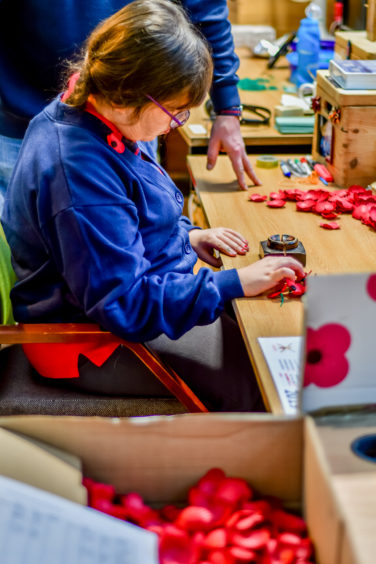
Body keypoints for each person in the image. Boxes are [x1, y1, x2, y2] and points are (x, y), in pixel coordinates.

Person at [2, 0, 304, 412]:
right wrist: (234, 283)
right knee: (262, 383)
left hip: (118, 307)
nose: (174, 125)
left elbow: (128, 223)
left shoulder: (98, 110)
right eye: (175, 113)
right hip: (89, 342)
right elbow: (126, 306)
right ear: (128, 95)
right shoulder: (79, 171)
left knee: (257, 328)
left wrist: (186, 235)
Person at [0, 0, 259, 215]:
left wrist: (228, 108)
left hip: (132, 120)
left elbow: (206, 12)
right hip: (22, 116)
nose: (173, 126)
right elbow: (113, 277)